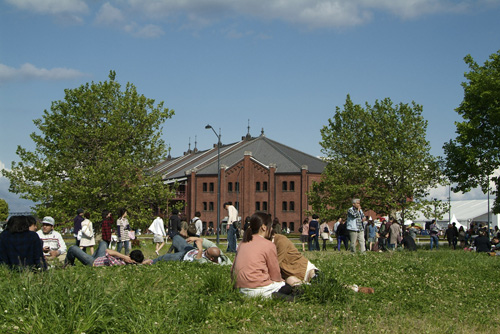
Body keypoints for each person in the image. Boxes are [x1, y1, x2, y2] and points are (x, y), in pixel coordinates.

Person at [231, 212, 288, 299]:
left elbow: (233, 268)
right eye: (270, 226)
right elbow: (275, 274)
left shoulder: (242, 243)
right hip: (258, 287)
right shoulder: (268, 245)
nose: (271, 229)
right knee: (288, 288)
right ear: (264, 227)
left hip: (240, 289)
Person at [153, 235, 231, 265]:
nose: (205, 251)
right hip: (190, 249)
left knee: (163, 258)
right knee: (176, 237)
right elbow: (208, 243)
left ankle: (150, 262)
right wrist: (195, 238)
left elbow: (198, 261)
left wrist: (200, 250)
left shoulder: (210, 264)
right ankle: (176, 252)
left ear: (211, 258)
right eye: (205, 250)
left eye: (206, 252)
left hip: (183, 257)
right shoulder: (217, 252)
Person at [65, 240, 148, 267]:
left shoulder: (119, 263)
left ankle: (68, 265)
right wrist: (142, 262)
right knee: (103, 243)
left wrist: (123, 256)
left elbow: (108, 251)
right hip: (100, 257)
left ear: (130, 259)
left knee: (73, 248)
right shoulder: (135, 262)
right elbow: (149, 261)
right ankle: (89, 256)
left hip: (93, 262)